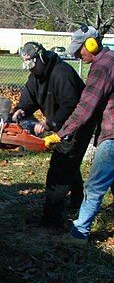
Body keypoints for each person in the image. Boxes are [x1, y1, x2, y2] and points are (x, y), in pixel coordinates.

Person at [12, 41, 96, 229]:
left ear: (41, 58)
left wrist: (49, 123)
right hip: (62, 125)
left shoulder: (61, 73)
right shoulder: (36, 76)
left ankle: (51, 220)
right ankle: (76, 200)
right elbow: (29, 97)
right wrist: (20, 109)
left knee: (60, 168)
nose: (31, 70)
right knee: (67, 162)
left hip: (78, 125)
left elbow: (71, 105)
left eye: (32, 65)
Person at [44, 25, 113, 244]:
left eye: (79, 49)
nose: (76, 54)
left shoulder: (102, 67)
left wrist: (61, 134)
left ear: (91, 44)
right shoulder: (110, 59)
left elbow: (85, 107)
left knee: (94, 186)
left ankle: (79, 234)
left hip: (113, 136)